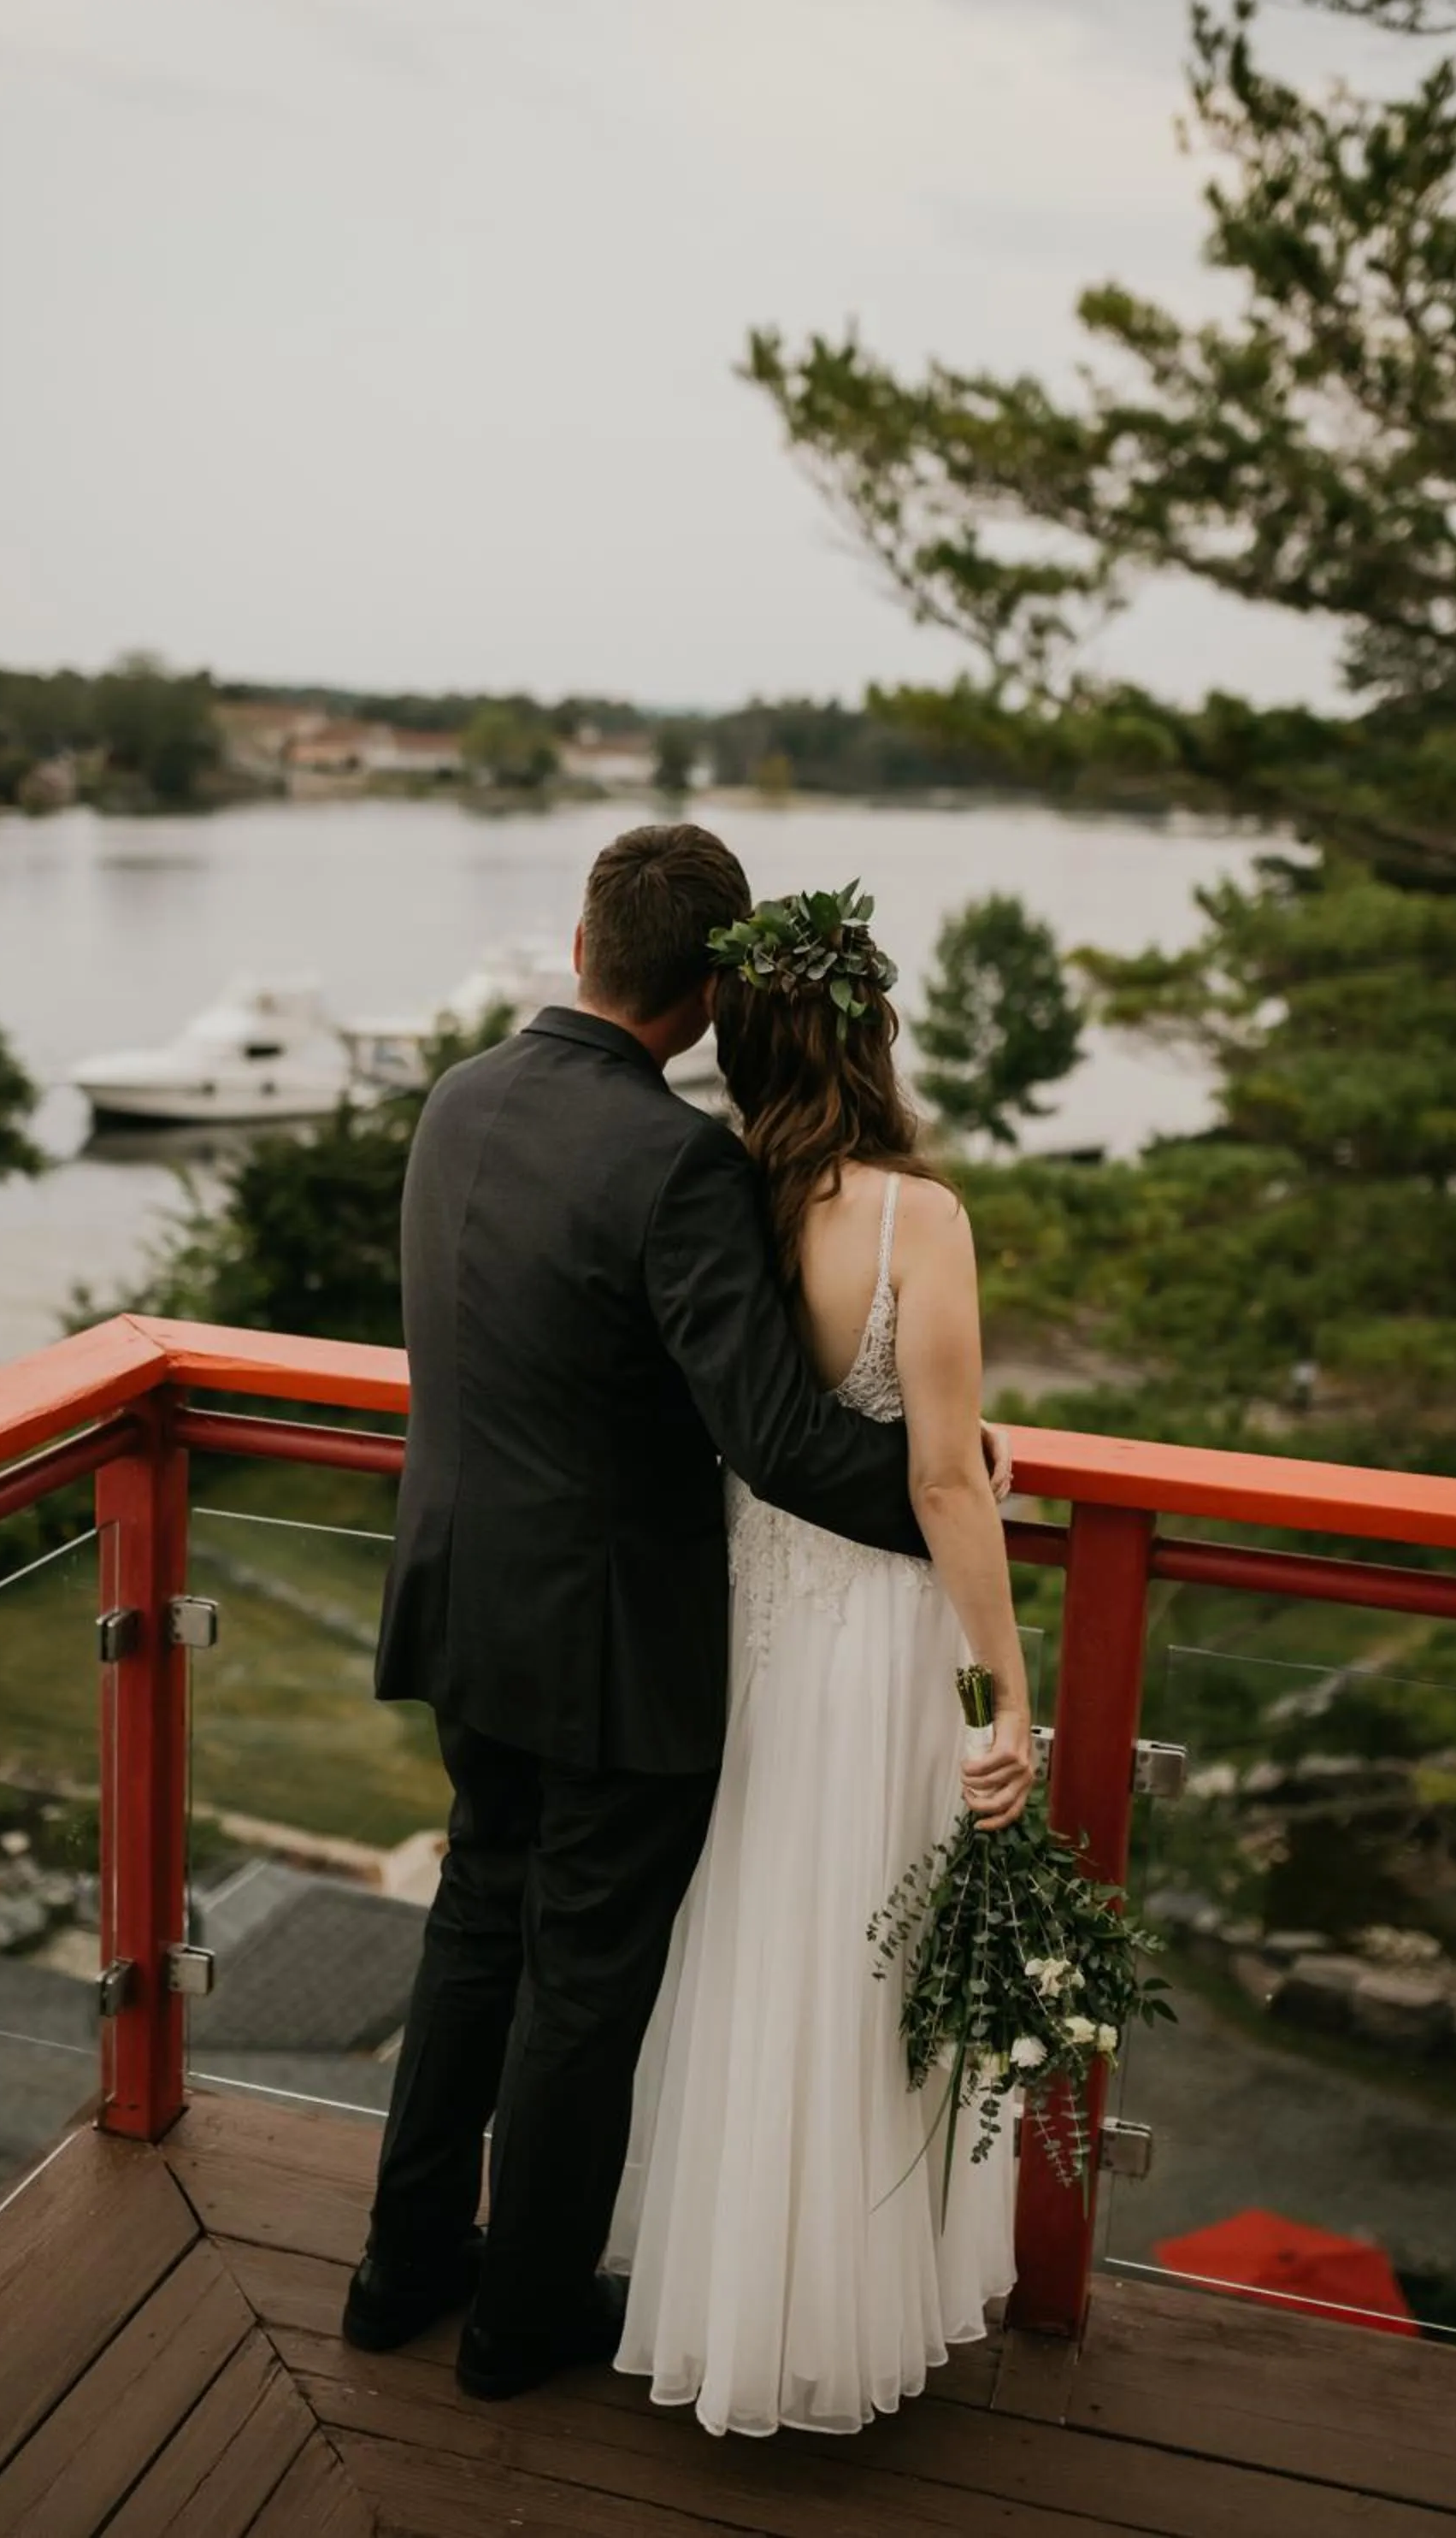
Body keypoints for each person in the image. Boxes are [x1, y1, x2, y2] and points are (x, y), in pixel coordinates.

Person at [344, 825, 1018, 2403]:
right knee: (578, 1983)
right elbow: (775, 1440)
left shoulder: (457, 1100)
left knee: (471, 1926)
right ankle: (518, 2319)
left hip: (461, 1604)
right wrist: (954, 1480)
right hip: (611, 1654)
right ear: (710, 992)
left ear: (585, 942)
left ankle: (400, 2271)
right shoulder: (676, 1165)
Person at [609, 882, 1035, 2437]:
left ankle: (732, 2298)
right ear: (876, 1034)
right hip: (872, 1639)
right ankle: (839, 2319)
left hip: (747, 1621)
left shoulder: (717, 1191)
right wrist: (1011, 1692)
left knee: (752, 1944)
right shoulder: (918, 1216)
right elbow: (939, 1481)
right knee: (865, 1964)